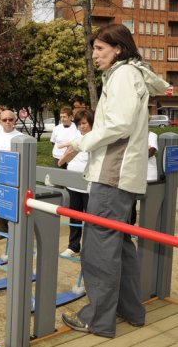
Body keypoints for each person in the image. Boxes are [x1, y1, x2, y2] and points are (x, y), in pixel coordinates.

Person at [59, 24, 169, 338]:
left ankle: (97, 319)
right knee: (120, 244)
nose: (94, 55)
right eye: (94, 48)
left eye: (100, 49)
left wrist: (79, 144)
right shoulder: (133, 74)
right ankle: (131, 310)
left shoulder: (122, 75)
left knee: (98, 249)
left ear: (118, 48)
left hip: (113, 174)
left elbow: (118, 125)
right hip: (124, 174)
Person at [57, 109, 94, 258]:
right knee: (74, 215)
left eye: (84, 123)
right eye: (79, 124)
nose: (82, 127)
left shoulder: (96, 137)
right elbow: (67, 155)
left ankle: (90, 248)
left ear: (91, 123)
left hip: (89, 184)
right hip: (73, 183)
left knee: (91, 217)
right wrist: (63, 160)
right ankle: (73, 246)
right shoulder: (75, 136)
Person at [0, 109, 22, 241]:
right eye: (4, 120)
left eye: (11, 119)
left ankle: (17, 232)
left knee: (16, 206)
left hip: (16, 178)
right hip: (0, 176)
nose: (8, 122)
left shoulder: (21, 137)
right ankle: (2, 230)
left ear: (15, 120)